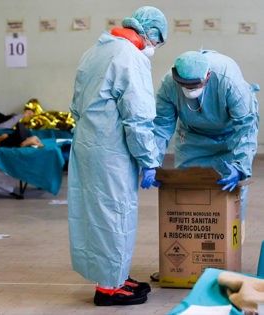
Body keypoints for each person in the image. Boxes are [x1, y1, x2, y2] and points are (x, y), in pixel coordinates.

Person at [67, 6, 167, 306]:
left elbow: (75, 104)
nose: (156, 47)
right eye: (158, 40)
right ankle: (110, 287)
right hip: (111, 150)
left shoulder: (95, 51)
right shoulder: (130, 57)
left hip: (87, 143)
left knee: (96, 214)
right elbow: (137, 118)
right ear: (149, 34)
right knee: (115, 214)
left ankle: (115, 275)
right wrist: (149, 159)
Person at [153, 50, 259, 243]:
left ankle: (230, 250)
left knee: (231, 193)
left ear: (208, 76)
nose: (189, 90)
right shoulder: (169, 84)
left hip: (230, 136)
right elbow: (161, 125)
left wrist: (240, 166)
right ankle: (192, 251)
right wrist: (152, 162)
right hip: (193, 137)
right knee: (187, 189)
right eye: (184, 85)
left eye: (195, 85)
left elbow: (245, 127)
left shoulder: (228, 81)